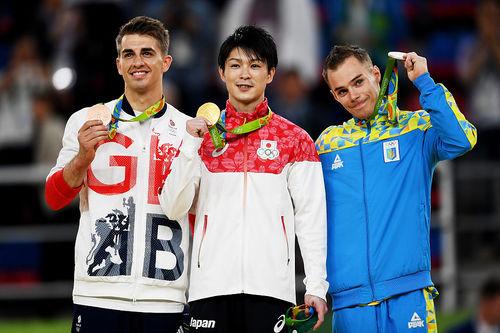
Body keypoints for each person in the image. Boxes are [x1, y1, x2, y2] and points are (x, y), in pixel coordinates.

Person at [159, 25, 328, 332]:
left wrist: (316, 284)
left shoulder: (295, 140)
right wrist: (189, 146)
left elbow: (311, 218)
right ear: (221, 73)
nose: (245, 74)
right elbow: (172, 206)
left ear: (271, 73)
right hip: (209, 288)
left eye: (255, 65)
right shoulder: (200, 138)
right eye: (235, 65)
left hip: (272, 290)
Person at [316, 45, 477, 332]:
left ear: (375, 74)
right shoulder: (328, 144)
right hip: (350, 305)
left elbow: (462, 138)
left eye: (358, 81)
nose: (353, 95)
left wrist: (425, 82)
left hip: (409, 295)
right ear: (333, 96)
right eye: (342, 91)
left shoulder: (414, 129)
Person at [44, 16, 191, 333]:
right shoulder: (86, 121)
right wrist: (83, 157)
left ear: (166, 62)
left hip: (166, 297)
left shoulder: (187, 131)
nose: (138, 61)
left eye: (148, 53)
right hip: (98, 295)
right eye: (129, 54)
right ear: (118, 64)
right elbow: (54, 198)